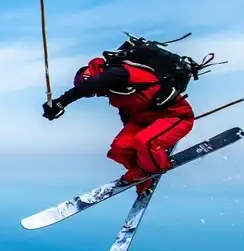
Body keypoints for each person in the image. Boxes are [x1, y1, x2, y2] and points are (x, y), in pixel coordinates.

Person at [42, 51, 195, 197]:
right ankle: (143, 177)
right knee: (119, 149)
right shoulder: (115, 92)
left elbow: (91, 85)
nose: (94, 94)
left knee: (145, 142)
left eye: (90, 91)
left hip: (176, 116)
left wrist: (60, 103)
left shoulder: (119, 72)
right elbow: (127, 117)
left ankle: (154, 168)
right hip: (145, 121)